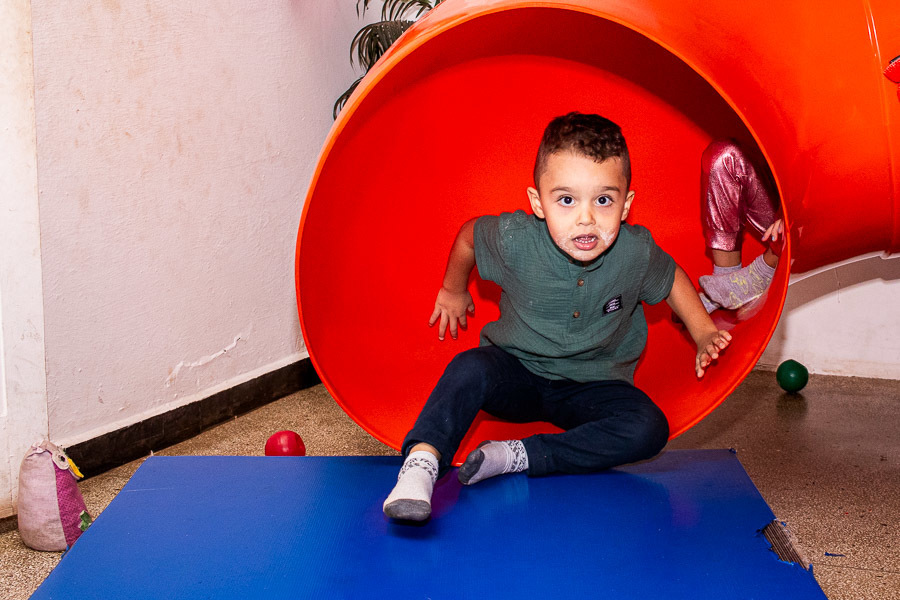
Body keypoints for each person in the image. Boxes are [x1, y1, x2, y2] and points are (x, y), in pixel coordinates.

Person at [382, 112, 732, 522]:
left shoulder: (635, 251)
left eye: (603, 200)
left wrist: (704, 330)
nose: (586, 218)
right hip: (518, 374)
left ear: (626, 206)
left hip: (594, 386)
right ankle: (422, 462)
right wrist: (453, 289)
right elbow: (468, 237)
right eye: (566, 200)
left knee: (648, 427)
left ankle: (520, 455)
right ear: (538, 203)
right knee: (469, 367)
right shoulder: (516, 238)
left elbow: (670, 277)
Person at [697, 140, 783, 312]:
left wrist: (794, 212)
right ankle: (726, 279)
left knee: (801, 213)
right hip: (784, 183)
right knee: (723, 156)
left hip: (822, 194)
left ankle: (758, 277)